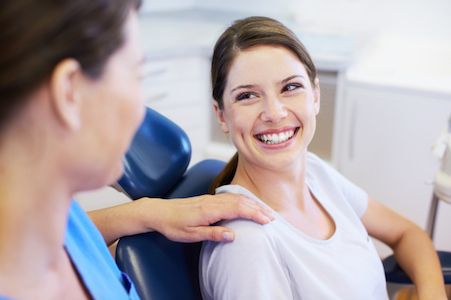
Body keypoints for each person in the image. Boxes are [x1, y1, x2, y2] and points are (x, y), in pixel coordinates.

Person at [0, 1, 274, 299]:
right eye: (135, 76)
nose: (140, 112)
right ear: (69, 93)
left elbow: (77, 231)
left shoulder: (57, 216)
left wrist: (145, 212)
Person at [200, 16, 447, 300]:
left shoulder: (316, 174)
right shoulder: (246, 246)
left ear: (315, 95)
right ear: (221, 115)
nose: (274, 112)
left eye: (290, 87)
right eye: (247, 96)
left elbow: (407, 233)